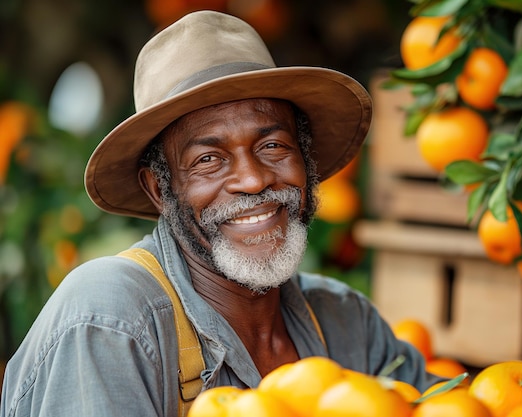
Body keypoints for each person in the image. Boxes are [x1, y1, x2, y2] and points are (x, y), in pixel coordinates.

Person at [0, 10, 440, 417]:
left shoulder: (347, 324)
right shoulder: (112, 321)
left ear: (305, 162)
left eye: (272, 146)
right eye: (208, 159)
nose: (252, 180)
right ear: (159, 189)